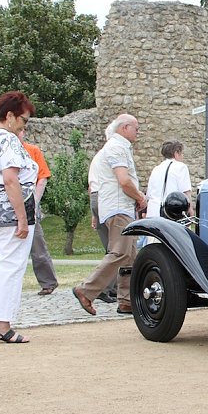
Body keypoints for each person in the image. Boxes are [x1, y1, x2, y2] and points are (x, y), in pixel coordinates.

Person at [0, 91, 38, 343]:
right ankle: (3, 324)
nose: (25, 125)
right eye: (24, 120)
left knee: (1, 266)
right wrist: (22, 218)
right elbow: (11, 178)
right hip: (10, 211)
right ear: (11, 116)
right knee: (11, 268)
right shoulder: (9, 140)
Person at [72, 114, 147, 316]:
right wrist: (140, 197)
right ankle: (86, 290)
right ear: (124, 128)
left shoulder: (116, 148)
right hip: (118, 207)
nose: (138, 131)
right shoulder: (117, 148)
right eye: (135, 127)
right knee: (121, 252)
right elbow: (123, 181)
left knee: (130, 257)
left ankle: (126, 301)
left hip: (119, 206)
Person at [0, 127, 59, 296]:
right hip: (4, 205)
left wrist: (34, 201)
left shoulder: (32, 151)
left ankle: (48, 282)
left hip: (27, 202)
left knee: (37, 244)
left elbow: (42, 177)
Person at [87, 121, 119, 303]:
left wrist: (95, 213)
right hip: (108, 198)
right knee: (117, 249)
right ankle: (101, 287)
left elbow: (92, 186)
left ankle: (113, 287)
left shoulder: (98, 157)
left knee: (113, 247)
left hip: (97, 198)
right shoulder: (113, 153)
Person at [146, 140, 194, 219]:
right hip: (171, 212)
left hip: (152, 212)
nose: (182, 156)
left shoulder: (156, 169)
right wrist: (191, 212)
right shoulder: (181, 167)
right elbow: (186, 192)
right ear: (176, 153)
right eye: (181, 153)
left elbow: (149, 194)